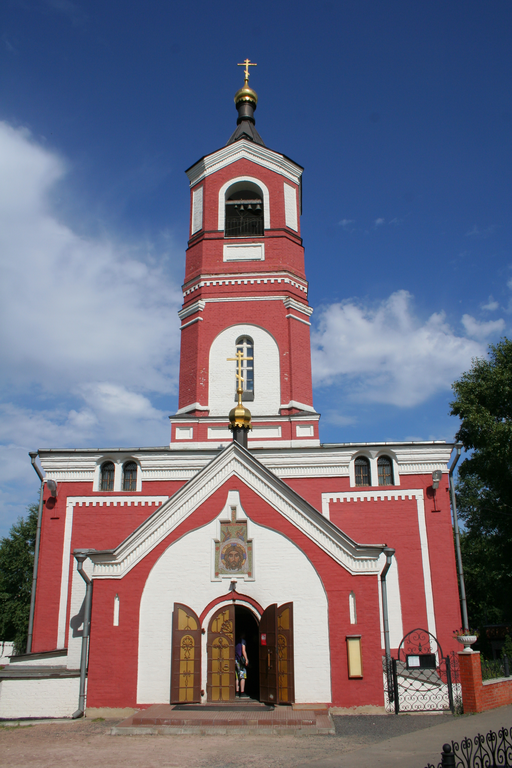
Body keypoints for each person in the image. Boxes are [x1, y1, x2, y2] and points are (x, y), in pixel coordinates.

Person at [235, 632, 249, 697]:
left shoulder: (235, 640)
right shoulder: (242, 641)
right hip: (240, 661)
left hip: (235, 660)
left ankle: (237, 691)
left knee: (237, 676)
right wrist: (246, 659)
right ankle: (242, 692)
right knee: (242, 676)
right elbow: (243, 650)